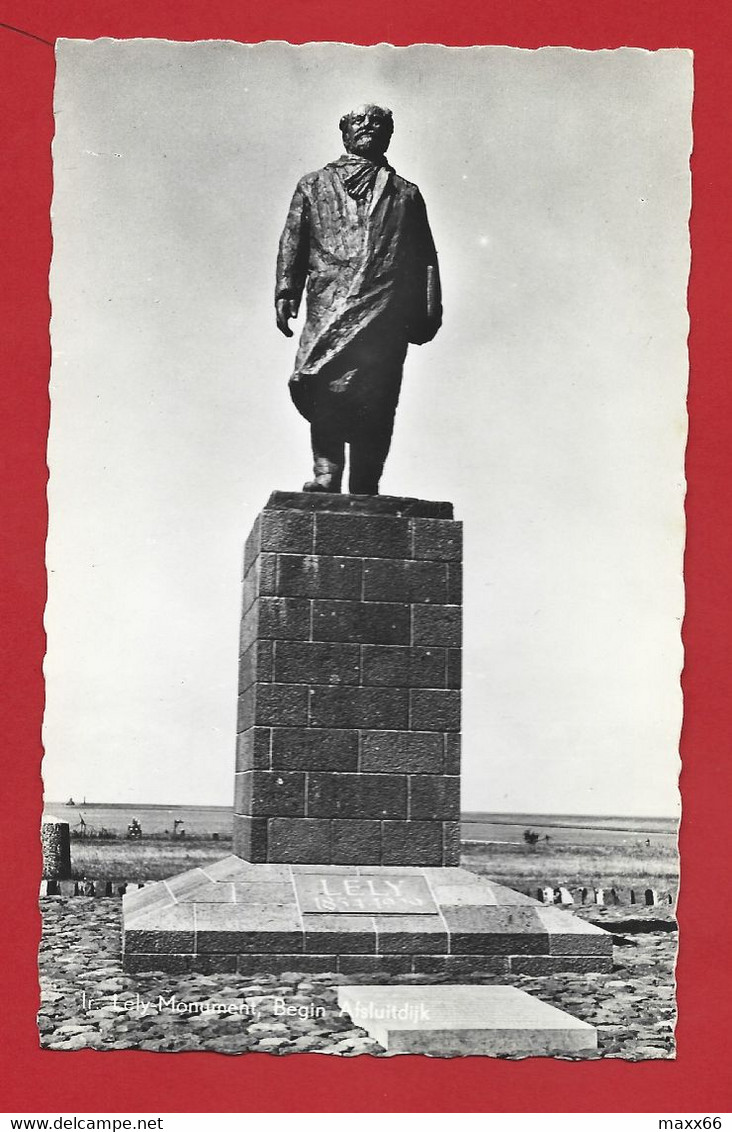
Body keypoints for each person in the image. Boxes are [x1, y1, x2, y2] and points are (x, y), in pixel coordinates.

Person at [275, 104, 442, 495]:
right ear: (344, 132)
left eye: (378, 123)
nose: (368, 127)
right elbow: (293, 240)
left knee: (379, 397)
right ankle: (326, 474)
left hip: (386, 309)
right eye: (359, 122)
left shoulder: (406, 194)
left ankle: (366, 483)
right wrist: (286, 290)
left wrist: (428, 309)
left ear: (388, 134)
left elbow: (425, 257)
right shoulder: (313, 185)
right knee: (325, 384)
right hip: (329, 303)